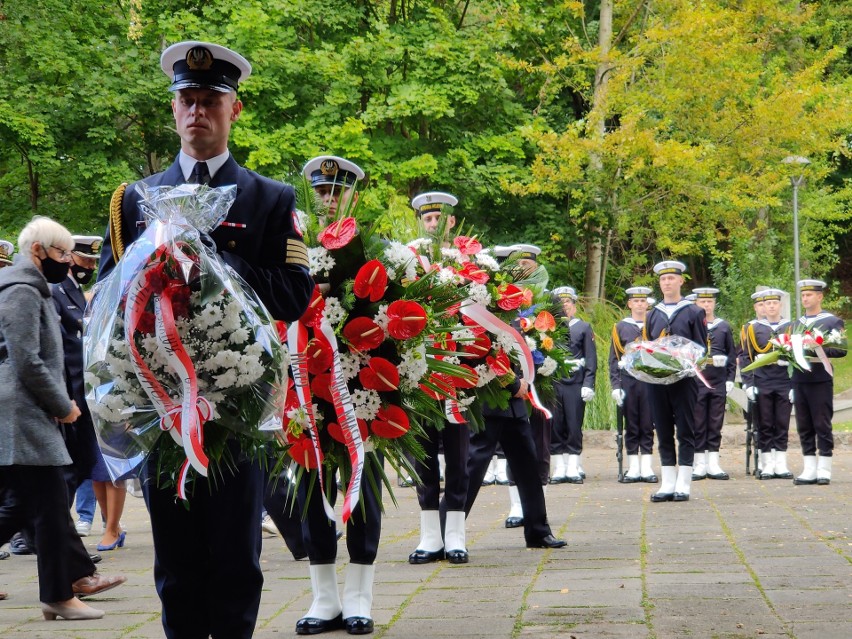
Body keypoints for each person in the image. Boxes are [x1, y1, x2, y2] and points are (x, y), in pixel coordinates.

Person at [97, 41, 313, 639]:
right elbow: (105, 300)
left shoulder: (270, 198)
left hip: (238, 410)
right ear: (173, 111)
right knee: (177, 565)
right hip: (161, 406)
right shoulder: (134, 201)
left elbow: (296, 295)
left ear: (234, 110)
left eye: (210, 100)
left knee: (237, 560)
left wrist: (211, 265)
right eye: (186, 101)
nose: (197, 112)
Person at [0, 217, 126, 621]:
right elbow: (26, 359)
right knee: (45, 503)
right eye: (60, 253)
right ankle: (58, 595)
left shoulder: (33, 288)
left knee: (35, 505)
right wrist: (62, 404)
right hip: (26, 411)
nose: (67, 261)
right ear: (37, 250)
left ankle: (59, 594)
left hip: (28, 411)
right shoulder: (21, 290)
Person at [294, 155, 383, 636]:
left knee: (363, 487)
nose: (329, 198)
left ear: (352, 194)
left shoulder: (373, 241)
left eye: (337, 190)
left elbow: (386, 300)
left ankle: (359, 597)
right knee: (310, 488)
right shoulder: (292, 239)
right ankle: (324, 597)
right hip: (306, 382)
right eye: (322, 190)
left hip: (361, 384)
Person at [407, 191, 473, 567]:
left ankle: (457, 535)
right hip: (420, 371)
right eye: (426, 219)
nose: (432, 225)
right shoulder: (408, 259)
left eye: (438, 219)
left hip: (458, 372)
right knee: (424, 454)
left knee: (459, 456)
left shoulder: (468, 261)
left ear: (450, 221)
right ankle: (430, 535)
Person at [643, 261, 707, 502]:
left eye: (672, 279)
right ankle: (668, 481)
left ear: (681, 281)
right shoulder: (653, 313)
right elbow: (649, 344)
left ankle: (684, 481)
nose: (667, 283)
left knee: (685, 428)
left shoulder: (693, 311)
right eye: (663, 279)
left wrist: (688, 364)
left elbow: (701, 348)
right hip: (658, 380)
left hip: (684, 380)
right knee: (662, 428)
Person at [790, 280, 846, 486]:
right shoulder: (795, 324)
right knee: (803, 424)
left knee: (821, 423)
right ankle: (809, 467)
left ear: (820, 296)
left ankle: (824, 467)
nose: (805, 299)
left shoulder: (832, 321)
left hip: (820, 378)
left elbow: (841, 350)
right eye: (803, 296)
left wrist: (817, 347)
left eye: (810, 295)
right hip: (799, 379)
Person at [739, 289, 793, 479]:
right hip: (762, 380)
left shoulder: (791, 327)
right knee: (765, 422)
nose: (771, 306)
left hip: (783, 380)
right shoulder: (752, 328)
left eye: (774, 303)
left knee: (782, 422)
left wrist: (795, 384)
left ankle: (781, 463)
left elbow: (798, 357)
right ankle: (766, 463)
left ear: (780, 305)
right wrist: (748, 383)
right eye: (767, 303)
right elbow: (745, 357)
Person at [549, 286, 597, 484]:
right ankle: (559, 466)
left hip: (575, 383)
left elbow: (591, 358)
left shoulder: (583, 327)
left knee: (574, 425)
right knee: (555, 425)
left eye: (567, 302)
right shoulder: (548, 328)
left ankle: (573, 465)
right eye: (560, 302)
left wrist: (588, 383)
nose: (564, 306)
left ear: (574, 306)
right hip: (554, 382)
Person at [609, 286, 657, 483]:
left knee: (647, 423)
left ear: (647, 304)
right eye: (635, 301)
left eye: (642, 301)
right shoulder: (621, 327)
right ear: (629, 304)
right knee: (631, 424)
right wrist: (615, 386)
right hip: (628, 381)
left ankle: (646, 466)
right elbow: (613, 359)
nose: (639, 304)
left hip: (649, 382)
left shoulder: (654, 325)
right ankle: (633, 467)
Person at [690, 288, 737, 481]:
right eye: (702, 302)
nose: (706, 306)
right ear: (696, 304)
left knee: (715, 422)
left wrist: (729, 379)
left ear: (714, 304)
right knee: (698, 422)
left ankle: (714, 462)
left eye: (709, 302)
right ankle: (699, 463)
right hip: (697, 381)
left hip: (717, 380)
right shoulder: (692, 326)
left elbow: (732, 355)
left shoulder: (723, 326)